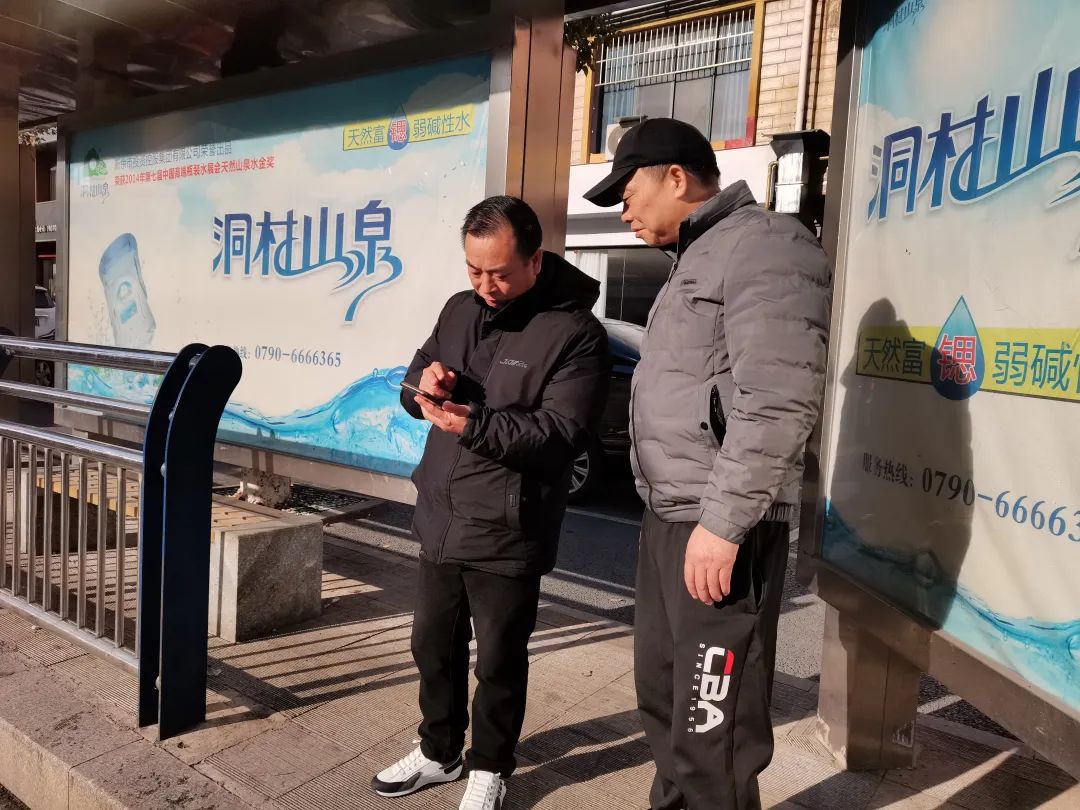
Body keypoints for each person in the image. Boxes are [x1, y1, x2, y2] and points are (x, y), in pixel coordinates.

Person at [584, 118, 830, 810]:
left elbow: (778, 400)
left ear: (675, 176)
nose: (623, 211)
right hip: (672, 517)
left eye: (627, 193)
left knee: (710, 728)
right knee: (665, 702)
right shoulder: (697, 255)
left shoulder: (766, 244)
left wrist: (723, 526)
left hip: (722, 523)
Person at [371, 196, 609, 810]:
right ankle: (439, 751)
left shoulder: (576, 334)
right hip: (442, 513)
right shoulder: (459, 309)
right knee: (431, 645)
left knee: (499, 660)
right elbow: (414, 376)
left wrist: (472, 425)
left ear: (535, 260)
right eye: (474, 270)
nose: (485, 286)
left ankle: (491, 765)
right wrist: (425, 386)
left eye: (499, 273)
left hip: (509, 525)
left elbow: (562, 435)